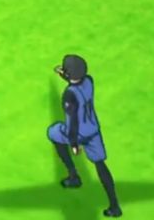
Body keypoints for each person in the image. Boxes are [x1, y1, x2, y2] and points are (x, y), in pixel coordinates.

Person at [48, 54, 122, 217]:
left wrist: (74, 144)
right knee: (100, 165)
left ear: (69, 73)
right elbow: (77, 82)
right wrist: (63, 74)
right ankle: (115, 206)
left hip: (78, 133)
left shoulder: (69, 95)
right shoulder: (89, 80)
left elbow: (72, 122)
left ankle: (73, 176)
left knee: (53, 132)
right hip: (94, 130)